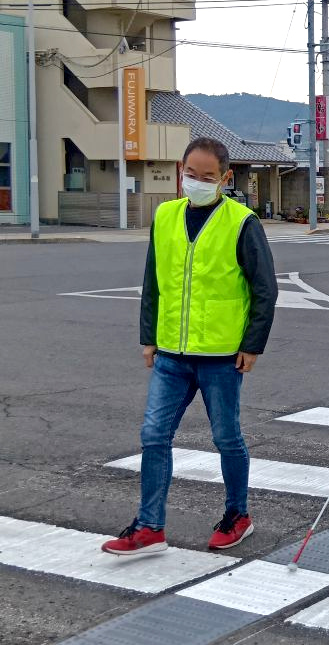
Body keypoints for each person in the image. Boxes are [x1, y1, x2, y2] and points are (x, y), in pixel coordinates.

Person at [101, 138, 278, 555]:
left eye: (208, 177)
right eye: (191, 174)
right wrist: (149, 338)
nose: (196, 182)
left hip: (221, 356)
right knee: (154, 435)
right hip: (171, 356)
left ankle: (238, 515)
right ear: (181, 171)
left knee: (226, 438)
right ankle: (149, 527)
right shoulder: (165, 216)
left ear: (226, 178)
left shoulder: (242, 222)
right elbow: (154, 281)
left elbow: (264, 289)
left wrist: (252, 345)